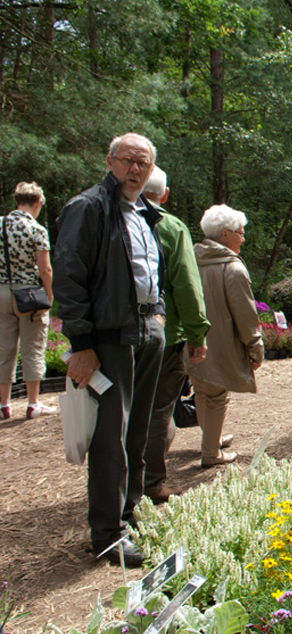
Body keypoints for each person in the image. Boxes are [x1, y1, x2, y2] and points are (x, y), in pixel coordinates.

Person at [53, 133, 166, 568]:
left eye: (143, 163)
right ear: (110, 161)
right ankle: (108, 534)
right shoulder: (88, 208)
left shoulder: (145, 212)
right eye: (127, 161)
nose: (135, 169)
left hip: (145, 332)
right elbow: (68, 276)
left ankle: (132, 517)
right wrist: (80, 344)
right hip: (107, 338)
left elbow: (147, 272)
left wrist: (156, 317)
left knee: (137, 432)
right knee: (109, 439)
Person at [140, 167, 211, 503]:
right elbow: (185, 286)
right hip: (164, 336)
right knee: (158, 410)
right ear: (164, 195)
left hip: (119, 337)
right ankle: (151, 484)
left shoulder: (111, 218)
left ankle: (118, 485)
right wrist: (197, 334)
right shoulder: (170, 227)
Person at [188, 205, 263, 468]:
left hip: (194, 342)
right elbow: (246, 315)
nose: (243, 238)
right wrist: (256, 348)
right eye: (240, 233)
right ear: (224, 234)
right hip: (221, 345)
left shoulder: (190, 259)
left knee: (201, 389)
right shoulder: (232, 268)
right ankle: (211, 452)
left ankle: (212, 437)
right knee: (218, 395)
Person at [1, 182, 54, 420]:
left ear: (16, 202)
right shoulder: (37, 229)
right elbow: (45, 269)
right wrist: (50, 295)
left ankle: (3, 405)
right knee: (32, 347)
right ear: (37, 203)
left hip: (1, 292)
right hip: (30, 295)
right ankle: (33, 403)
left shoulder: (0, 225)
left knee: (4, 349)